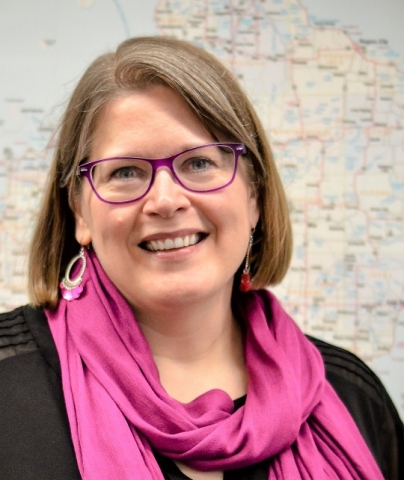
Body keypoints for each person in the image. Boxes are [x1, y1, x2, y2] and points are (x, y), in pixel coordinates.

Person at [0, 36, 402, 480]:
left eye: (198, 164)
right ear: (80, 212)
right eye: (125, 172)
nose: (166, 201)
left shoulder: (353, 395)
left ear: (253, 196)